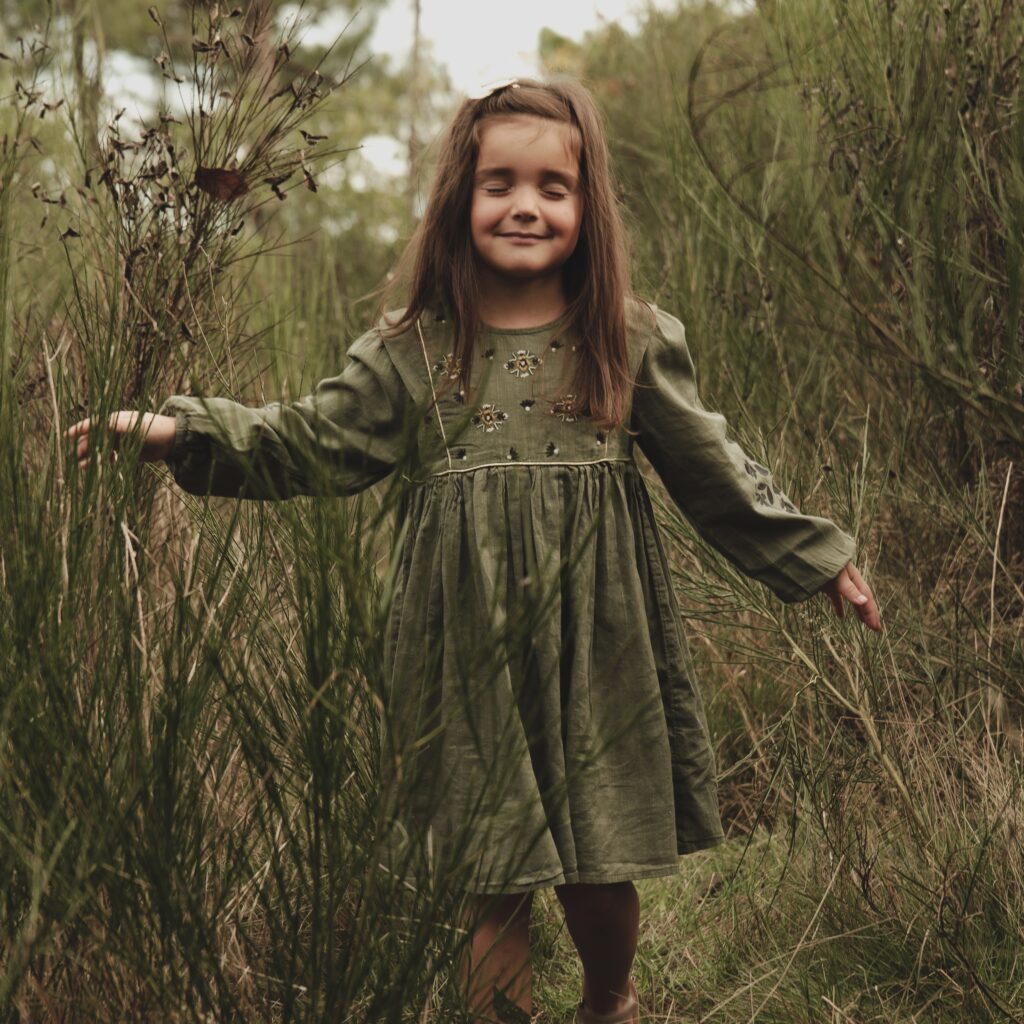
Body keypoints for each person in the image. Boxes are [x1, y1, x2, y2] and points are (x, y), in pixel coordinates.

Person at [65, 77, 881, 1024]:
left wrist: (817, 554)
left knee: (596, 864)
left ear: (587, 208)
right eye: (499, 183)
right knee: (486, 873)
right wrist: (174, 430)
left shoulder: (625, 337)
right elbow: (312, 441)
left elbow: (713, 466)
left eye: (552, 188)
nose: (524, 206)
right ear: (461, 197)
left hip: (596, 639)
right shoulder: (413, 349)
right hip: (465, 647)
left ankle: (610, 1002)